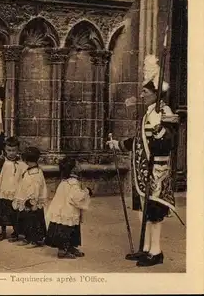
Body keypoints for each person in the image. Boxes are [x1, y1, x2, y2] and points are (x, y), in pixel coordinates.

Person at [107, 55, 178, 267]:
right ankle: (145, 248)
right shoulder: (148, 113)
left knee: (154, 212)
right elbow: (139, 140)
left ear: (156, 94)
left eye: (145, 92)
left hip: (156, 170)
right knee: (143, 211)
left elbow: (169, 142)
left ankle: (156, 252)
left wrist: (159, 130)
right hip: (142, 170)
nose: (141, 94)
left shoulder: (164, 112)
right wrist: (118, 144)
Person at [45, 157, 92, 259]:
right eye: (78, 164)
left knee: (70, 229)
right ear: (74, 169)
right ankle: (63, 250)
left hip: (62, 210)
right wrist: (86, 192)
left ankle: (70, 247)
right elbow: (76, 197)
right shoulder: (73, 183)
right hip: (67, 211)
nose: (80, 166)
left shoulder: (65, 181)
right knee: (66, 230)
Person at [0, 137, 28, 241]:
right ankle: (3, 231)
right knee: (3, 212)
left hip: (15, 191)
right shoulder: (1, 163)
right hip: (3, 191)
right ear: (4, 150)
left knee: (15, 212)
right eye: (9, 150)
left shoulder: (21, 164)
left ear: (18, 150)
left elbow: (25, 176)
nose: (11, 153)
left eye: (14, 150)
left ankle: (16, 232)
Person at [11, 147, 48, 247]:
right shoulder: (30, 170)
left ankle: (34, 240)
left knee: (34, 221)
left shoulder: (36, 173)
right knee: (27, 220)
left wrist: (33, 201)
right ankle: (27, 238)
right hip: (25, 198)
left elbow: (35, 189)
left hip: (32, 201)